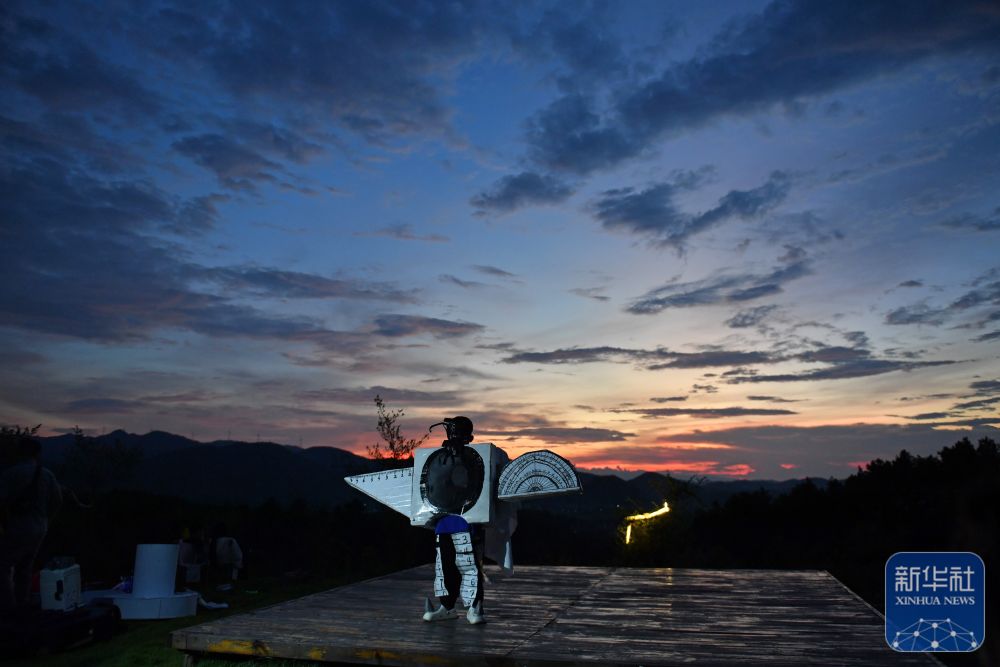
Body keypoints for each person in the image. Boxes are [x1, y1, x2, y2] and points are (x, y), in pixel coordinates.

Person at [422, 416, 486, 625]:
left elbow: (471, 482)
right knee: (444, 566)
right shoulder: (440, 458)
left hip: (467, 519)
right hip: (443, 520)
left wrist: (460, 457)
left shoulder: (473, 458)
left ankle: (474, 607)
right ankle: (447, 606)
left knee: (468, 564)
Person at [0, 435, 62, 614]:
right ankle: (23, 603)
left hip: (17, 526)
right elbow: (58, 500)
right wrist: (47, 520)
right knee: (25, 566)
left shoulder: (11, 474)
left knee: (3, 565)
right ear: (37, 453)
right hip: (40, 527)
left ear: (20, 452)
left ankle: (8, 607)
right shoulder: (47, 474)